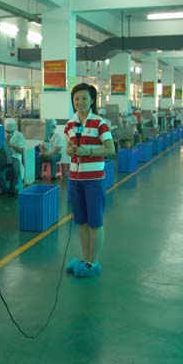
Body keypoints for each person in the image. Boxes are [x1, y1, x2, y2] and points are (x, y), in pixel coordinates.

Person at [64, 83, 115, 278]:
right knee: (82, 223)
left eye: (84, 98)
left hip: (93, 180)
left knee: (95, 222)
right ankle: (86, 260)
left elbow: (110, 149)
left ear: (92, 100)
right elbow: (69, 146)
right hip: (75, 179)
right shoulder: (71, 124)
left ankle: (94, 263)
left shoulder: (100, 123)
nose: (80, 102)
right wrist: (70, 150)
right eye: (76, 99)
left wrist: (89, 152)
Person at [0, 118, 26, 195]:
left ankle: (12, 190)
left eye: (10, 132)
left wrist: (13, 146)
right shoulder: (0, 134)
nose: (8, 134)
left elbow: (22, 150)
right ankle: (4, 188)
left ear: (14, 129)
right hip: (3, 157)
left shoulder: (19, 136)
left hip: (15, 157)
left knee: (16, 170)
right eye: (7, 132)